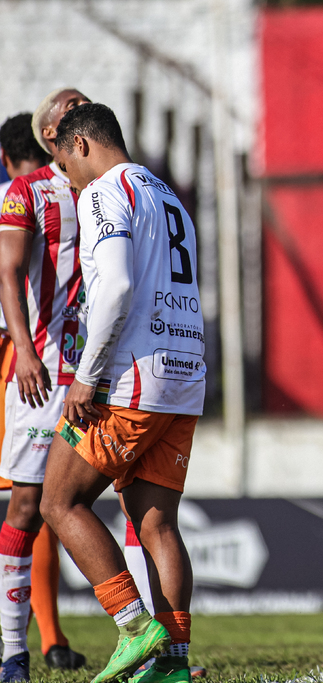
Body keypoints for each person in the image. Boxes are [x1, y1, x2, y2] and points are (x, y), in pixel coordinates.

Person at [43, 102, 205, 683]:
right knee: (157, 523)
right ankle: (174, 663)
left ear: (82, 144)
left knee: (58, 501)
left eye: (64, 161)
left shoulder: (104, 191)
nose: (66, 176)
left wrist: (88, 374)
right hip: (184, 376)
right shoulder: (165, 193)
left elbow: (116, 285)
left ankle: (135, 627)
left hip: (132, 376)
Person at [0, 92, 91, 681]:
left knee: (139, 507)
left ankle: (165, 650)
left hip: (109, 378)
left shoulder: (121, 187)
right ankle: (14, 649)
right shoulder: (29, 191)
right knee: (28, 505)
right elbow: (7, 269)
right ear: (51, 131)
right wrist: (27, 351)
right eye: (70, 105)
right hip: (42, 374)